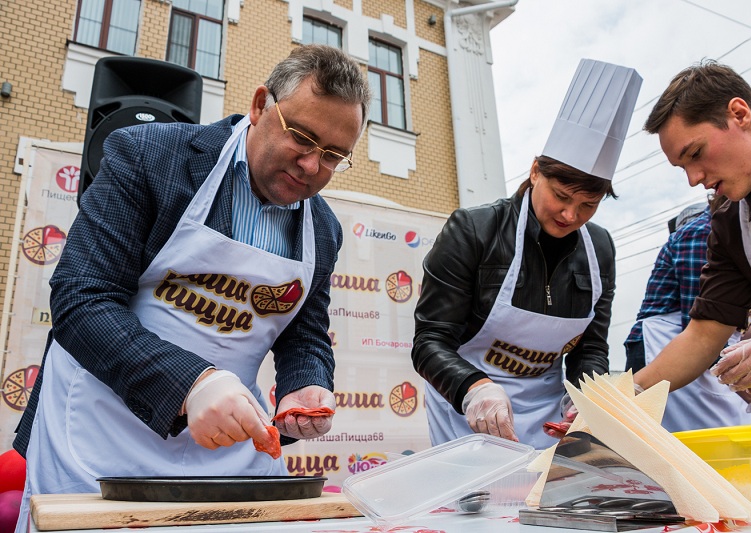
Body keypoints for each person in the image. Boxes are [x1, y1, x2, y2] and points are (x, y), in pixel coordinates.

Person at [13, 44, 370, 531]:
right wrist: (193, 382)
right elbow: (82, 299)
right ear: (261, 104)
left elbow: (304, 331)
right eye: (303, 138)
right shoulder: (151, 156)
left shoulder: (323, 230)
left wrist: (305, 384)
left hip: (230, 456)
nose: (312, 165)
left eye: (333, 156)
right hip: (100, 439)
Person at [412, 59, 642, 449]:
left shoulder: (599, 248)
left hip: (550, 419)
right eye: (562, 197)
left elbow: (590, 348)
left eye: (589, 205)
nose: (571, 215)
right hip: (468, 414)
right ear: (536, 171)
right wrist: (475, 389)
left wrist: (585, 399)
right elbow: (430, 341)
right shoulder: (474, 230)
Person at [634, 59, 751, 397]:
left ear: (739, 114)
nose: (694, 179)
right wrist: (624, 396)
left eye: (695, 153)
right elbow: (703, 336)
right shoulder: (730, 225)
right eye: (682, 167)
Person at [626, 199, 751, 431]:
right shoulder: (703, 234)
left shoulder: (749, 242)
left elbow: (729, 330)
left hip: (714, 360)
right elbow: (703, 335)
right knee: (697, 450)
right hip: (670, 360)